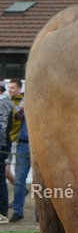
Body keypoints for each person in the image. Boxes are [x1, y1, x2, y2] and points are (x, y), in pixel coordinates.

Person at [8, 80, 29, 223]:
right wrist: (21, 110)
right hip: (24, 143)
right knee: (20, 180)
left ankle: (40, 214)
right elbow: (16, 116)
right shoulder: (26, 97)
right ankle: (18, 211)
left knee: (41, 182)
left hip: (38, 144)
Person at [0, 81, 12, 223]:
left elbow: (2, 126)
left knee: (0, 179)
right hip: (4, 143)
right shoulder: (7, 102)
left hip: (1, 144)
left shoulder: (3, 103)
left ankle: (2, 213)